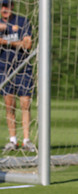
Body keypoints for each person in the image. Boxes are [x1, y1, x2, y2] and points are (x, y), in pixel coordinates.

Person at [0, 0, 34, 153]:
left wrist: (6, 42)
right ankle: (12, 140)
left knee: (25, 103)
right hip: (4, 69)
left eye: (7, 6)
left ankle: (27, 140)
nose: (5, 9)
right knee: (9, 104)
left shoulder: (22, 21)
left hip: (23, 67)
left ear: (12, 6)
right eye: (2, 6)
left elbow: (27, 44)